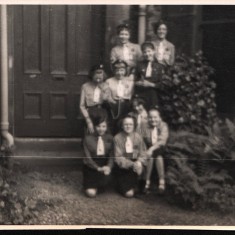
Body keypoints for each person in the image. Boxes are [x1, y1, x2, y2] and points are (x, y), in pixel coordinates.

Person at [113, 115, 147, 198]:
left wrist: (139, 161)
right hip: (123, 166)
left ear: (134, 126)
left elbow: (143, 152)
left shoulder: (138, 137)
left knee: (142, 167)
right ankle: (121, 186)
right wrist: (132, 164)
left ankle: (138, 186)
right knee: (129, 194)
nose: (128, 126)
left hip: (136, 163)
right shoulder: (117, 138)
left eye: (130, 124)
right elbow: (118, 157)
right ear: (122, 125)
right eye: (126, 124)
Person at [83, 116, 114, 198]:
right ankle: (92, 185)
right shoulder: (87, 139)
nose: (101, 129)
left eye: (104, 126)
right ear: (94, 126)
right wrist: (97, 168)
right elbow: (87, 158)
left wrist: (109, 166)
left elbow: (112, 155)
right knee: (91, 193)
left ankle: (104, 183)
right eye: (98, 126)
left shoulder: (110, 138)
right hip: (92, 166)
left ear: (106, 127)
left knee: (105, 182)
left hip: (105, 164)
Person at [142, 107, 169, 194]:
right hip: (147, 147)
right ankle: (147, 182)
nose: (153, 119)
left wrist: (151, 149)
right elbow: (140, 139)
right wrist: (146, 149)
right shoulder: (144, 125)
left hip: (159, 147)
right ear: (148, 118)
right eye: (150, 117)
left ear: (159, 117)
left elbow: (162, 141)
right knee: (151, 157)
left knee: (158, 156)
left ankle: (161, 181)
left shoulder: (163, 125)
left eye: (155, 117)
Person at [104, 60, 134, 134]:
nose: (119, 73)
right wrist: (112, 101)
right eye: (117, 70)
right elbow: (107, 95)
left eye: (122, 70)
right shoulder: (109, 81)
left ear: (125, 70)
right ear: (114, 71)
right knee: (113, 123)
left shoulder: (130, 81)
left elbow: (131, 94)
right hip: (113, 105)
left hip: (126, 105)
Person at [80, 64, 109, 134]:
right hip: (90, 112)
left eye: (101, 73)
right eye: (96, 73)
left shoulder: (106, 85)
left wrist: (103, 88)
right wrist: (88, 119)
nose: (98, 75)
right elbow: (82, 105)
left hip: (103, 111)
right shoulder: (85, 86)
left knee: (102, 132)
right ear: (92, 74)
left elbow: (106, 99)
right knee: (90, 132)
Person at [135, 42, 164, 110]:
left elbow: (163, 85)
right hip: (141, 94)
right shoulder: (139, 65)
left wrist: (150, 84)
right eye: (145, 52)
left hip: (155, 95)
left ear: (154, 51)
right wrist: (138, 83)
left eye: (149, 51)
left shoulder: (160, 66)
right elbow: (135, 80)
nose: (147, 54)